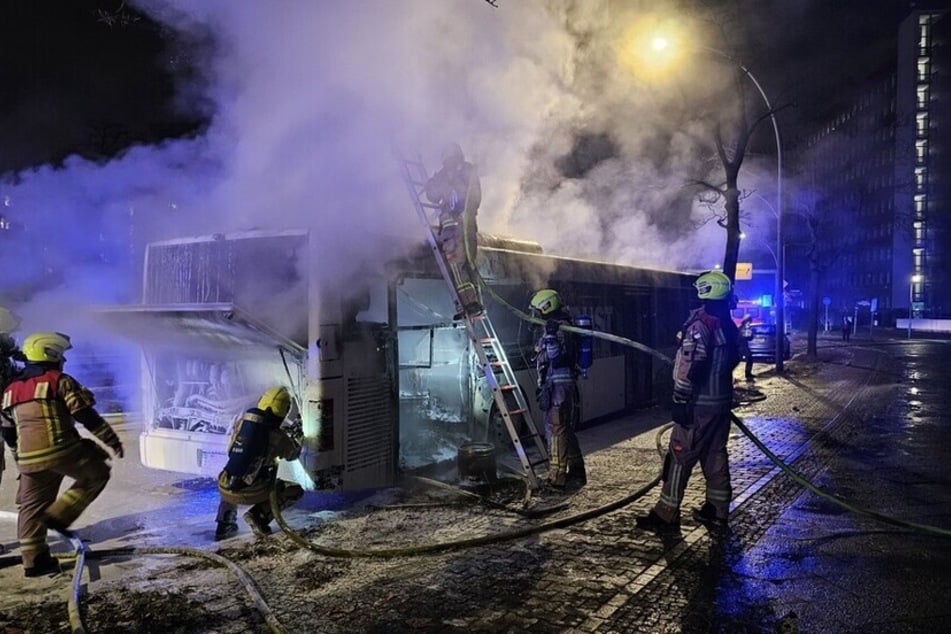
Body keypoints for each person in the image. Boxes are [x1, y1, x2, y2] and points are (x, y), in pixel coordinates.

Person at [1, 332, 124, 577]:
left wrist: (19, 456)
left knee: (31, 507)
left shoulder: (11, 390)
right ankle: (59, 518)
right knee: (97, 472)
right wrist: (111, 440)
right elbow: (85, 416)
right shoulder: (60, 381)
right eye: (62, 356)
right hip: (62, 450)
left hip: (28, 460)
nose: (64, 361)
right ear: (52, 355)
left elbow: (7, 429)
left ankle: (34, 562)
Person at [635, 270, 741, 535]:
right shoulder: (727, 324)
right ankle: (717, 512)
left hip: (698, 407)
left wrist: (680, 399)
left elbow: (692, 365)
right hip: (720, 406)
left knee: (679, 457)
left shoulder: (700, 326)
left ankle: (666, 514)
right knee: (715, 457)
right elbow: (735, 359)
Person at [215, 386, 304, 540]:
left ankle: (224, 523)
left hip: (225, 487)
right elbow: (292, 455)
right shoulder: (279, 436)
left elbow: (231, 451)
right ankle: (258, 516)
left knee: (232, 472)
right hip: (252, 491)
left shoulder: (242, 423)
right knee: (294, 490)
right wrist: (297, 437)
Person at [530, 289, 586, 490]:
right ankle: (577, 470)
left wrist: (551, 336)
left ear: (546, 307)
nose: (534, 314)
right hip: (554, 384)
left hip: (559, 385)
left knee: (555, 429)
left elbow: (554, 357)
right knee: (564, 428)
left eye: (537, 310)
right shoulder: (556, 327)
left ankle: (558, 476)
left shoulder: (560, 329)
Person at [425, 142, 483, 320]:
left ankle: (469, 305)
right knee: (469, 265)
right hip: (469, 227)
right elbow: (475, 198)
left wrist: (431, 183)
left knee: (456, 266)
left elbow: (432, 196)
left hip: (454, 230)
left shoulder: (447, 175)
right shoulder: (469, 171)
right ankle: (477, 304)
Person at [738, 314, 755, 382]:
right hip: (742, 346)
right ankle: (747, 374)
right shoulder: (744, 328)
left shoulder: (742, 327)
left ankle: (748, 374)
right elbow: (747, 337)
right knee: (749, 359)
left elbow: (749, 337)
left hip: (742, 346)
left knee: (749, 359)